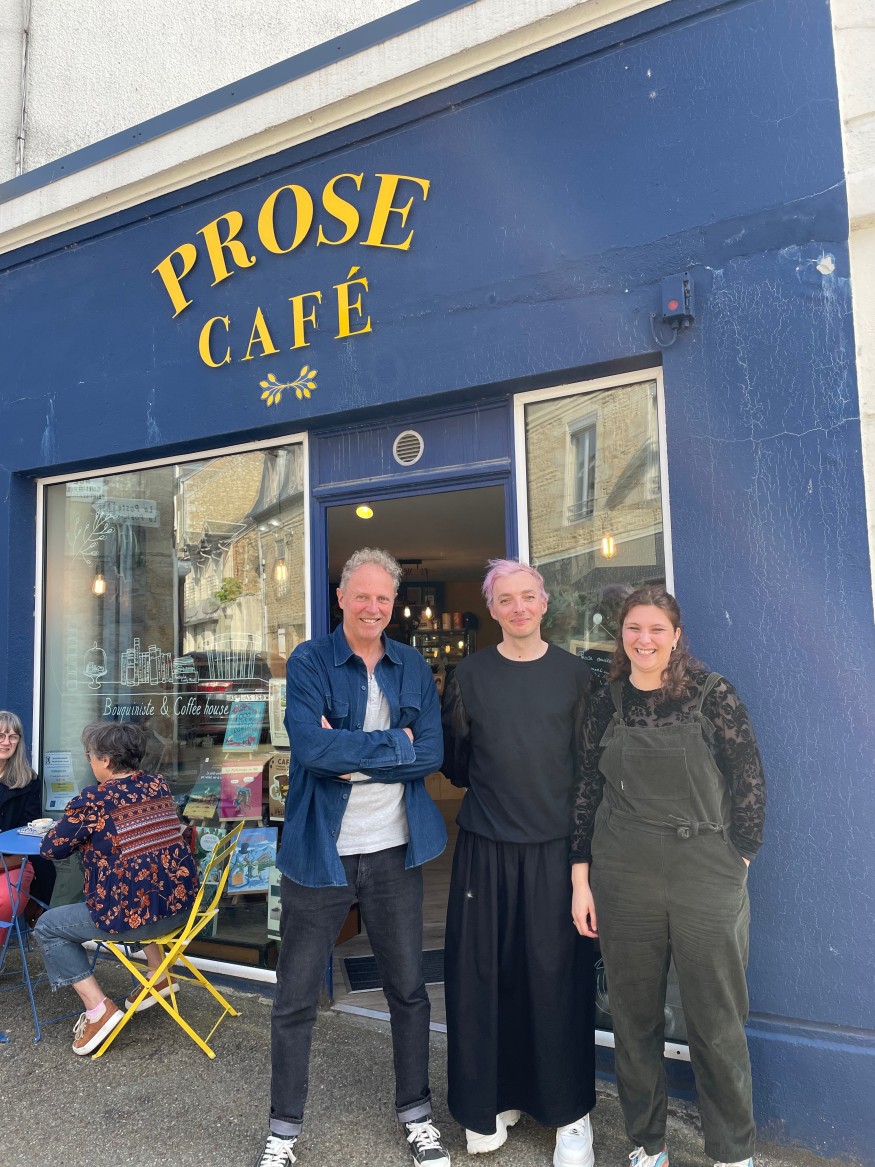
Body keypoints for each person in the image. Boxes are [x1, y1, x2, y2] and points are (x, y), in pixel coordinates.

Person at [258, 548, 450, 1167]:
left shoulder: (411, 663)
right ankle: (283, 1131)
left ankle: (417, 1115)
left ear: (393, 605)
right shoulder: (310, 660)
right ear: (341, 598)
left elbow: (432, 754)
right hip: (321, 852)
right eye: (362, 595)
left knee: (409, 990)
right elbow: (311, 749)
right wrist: (396, 744)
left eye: (383, 598)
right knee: (294, 997)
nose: (373, 607)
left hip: (394, 849)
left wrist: (354, 754)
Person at [570, 585, 766, 1167]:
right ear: (621, 635)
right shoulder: (606, 701)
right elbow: (585, 791)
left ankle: (733, 1151)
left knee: (716, 1018)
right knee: (633, 1018)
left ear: (676, 636)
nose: (644, 639)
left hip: (704, 870)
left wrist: (739, 857)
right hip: (623, 873)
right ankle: (646, 1144)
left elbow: (749, 779)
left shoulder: (712, 694)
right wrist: (581, 881)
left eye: (657, 628)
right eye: (634, 628)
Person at [442, 559, 597, 1167]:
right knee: (484, 980)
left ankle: (571, 1116)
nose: (519, 607)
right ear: (492, 608)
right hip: (484, 850)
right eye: (505, 599)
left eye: (528, 596)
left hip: (556, 855)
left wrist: (584, 867)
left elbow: (588, 775)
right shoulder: (469, 675)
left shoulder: (576, 675)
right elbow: (457, 764)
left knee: (557, 984)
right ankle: (492, 1102)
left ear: (545, 602)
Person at [35, 721, 199, 1055]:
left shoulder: (94, 800)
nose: (89, 762)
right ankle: (159, 975)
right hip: (181, 909)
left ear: (106, 760)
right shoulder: (158, 785)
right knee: (144, 874)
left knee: (48, 927)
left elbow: (51, 849)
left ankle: (99, 1011)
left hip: (139, 921)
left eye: (90, 756)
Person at [0, 711, 42, 943]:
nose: (6, 742)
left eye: (12, 737)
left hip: (13, 862)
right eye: (1, 735)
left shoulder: (29, 781)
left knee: (5, 899)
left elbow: (29, 832)